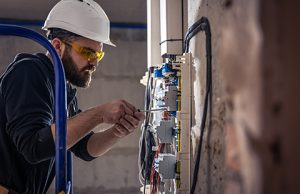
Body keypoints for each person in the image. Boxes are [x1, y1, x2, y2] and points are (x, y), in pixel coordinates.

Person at [0, 0, 144, 193]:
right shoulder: (29, 73)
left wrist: (117, 131)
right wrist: (100, 114)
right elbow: (34, 147)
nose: (94, 62)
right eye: (87, 52)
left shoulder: (63, 87)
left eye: (98, 55)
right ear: (57, 46)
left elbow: (84, 148)